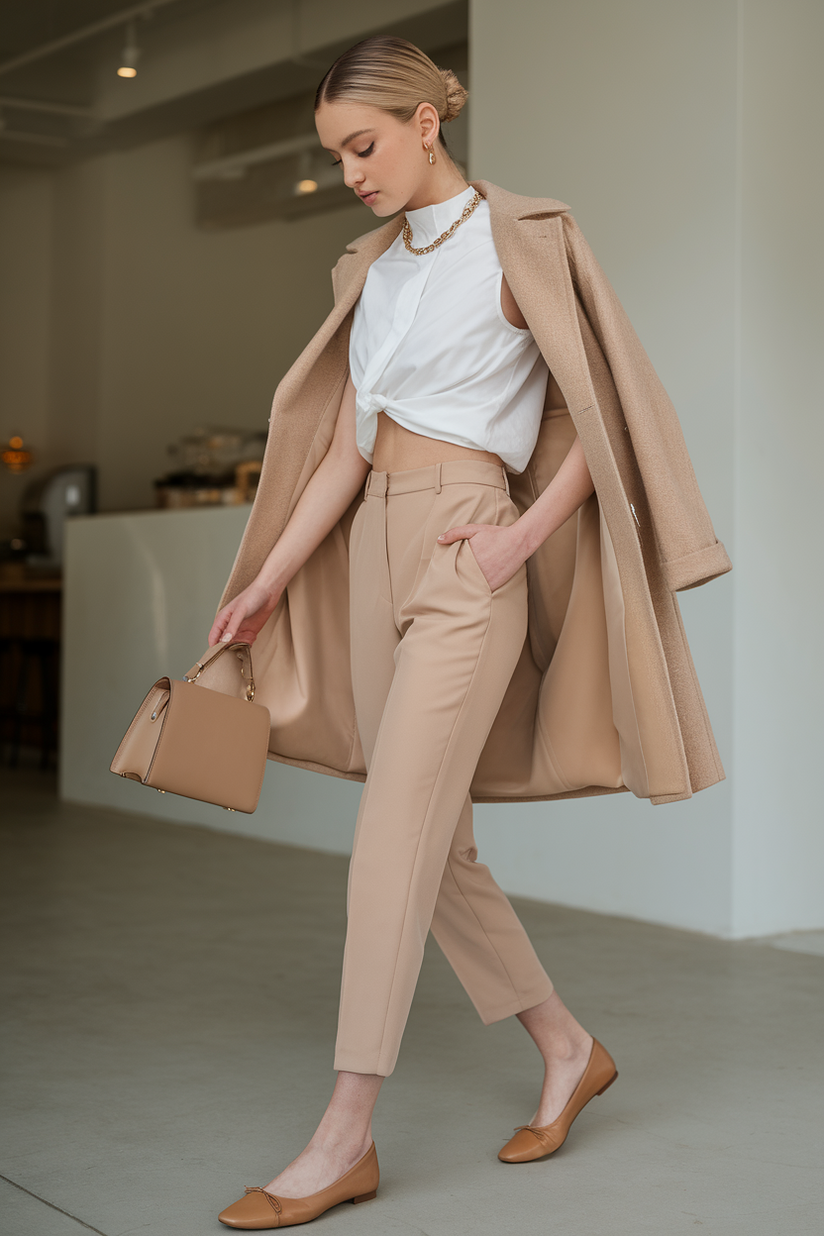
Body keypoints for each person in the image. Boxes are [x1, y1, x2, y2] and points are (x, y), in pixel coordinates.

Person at [212, 36, 730, 1231]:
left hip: (466, 547)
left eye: (363, 144)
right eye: (335, 154)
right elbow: (347, 447)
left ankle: (344, 1134)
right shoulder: (373, 270)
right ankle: (566, 1046)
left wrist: (513, 541)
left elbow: (602, 419)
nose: (349, 172)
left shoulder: (522, 239)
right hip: (372, 545)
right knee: (434, 843)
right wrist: (271, 580)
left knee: (391, 839)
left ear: (425, 122)